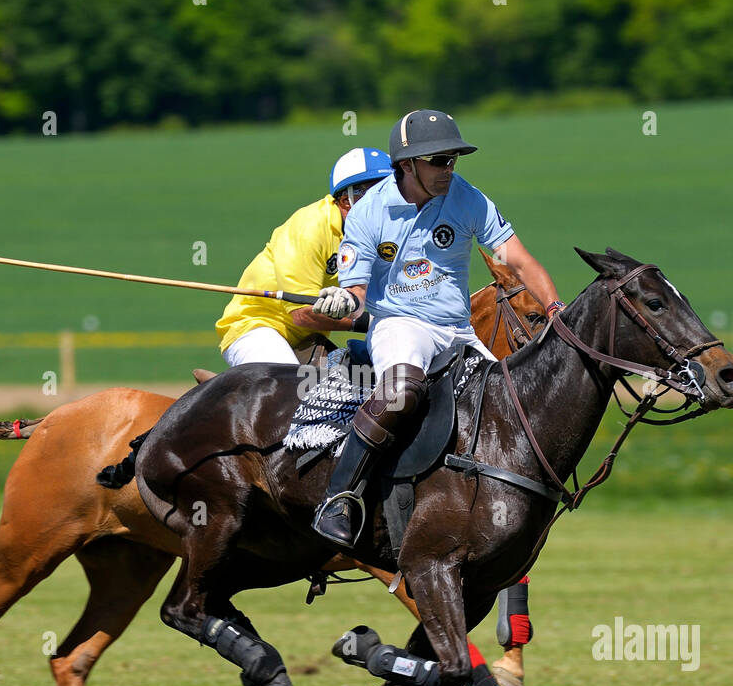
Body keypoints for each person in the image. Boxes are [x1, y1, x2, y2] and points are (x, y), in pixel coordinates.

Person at [310, 109, 565, 548]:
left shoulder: (467, 198)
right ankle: (340, 498)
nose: (449, 169)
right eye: (439, 160)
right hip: (399, 324)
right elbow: (355, 291)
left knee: (512, 399)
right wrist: (342, 300)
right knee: (401, 389)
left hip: (457, 330)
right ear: (407, 165)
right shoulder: (368, 213)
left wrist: (556, 309)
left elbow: (519, 262)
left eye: (453, 159)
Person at [215, 147, 393, 367]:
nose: (387, 202)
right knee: (292, 389)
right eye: (378, 193)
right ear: (347, 199)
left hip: (307, 339)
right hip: (256, 327)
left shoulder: (385, 233)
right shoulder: (311, 227)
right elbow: (303, 314)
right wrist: (370, 322)